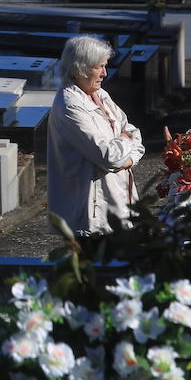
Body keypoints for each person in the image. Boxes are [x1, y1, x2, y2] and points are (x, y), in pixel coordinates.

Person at [46, 35, 145, 237]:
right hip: (91, 215)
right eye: (98, 67)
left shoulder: (100, 95)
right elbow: (108, 155)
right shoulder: (70, 105)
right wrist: (125, 141)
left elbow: (134, 133)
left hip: (118, 204)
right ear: (78, 69)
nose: (104, 73)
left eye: (104, 66)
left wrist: (129, 160)